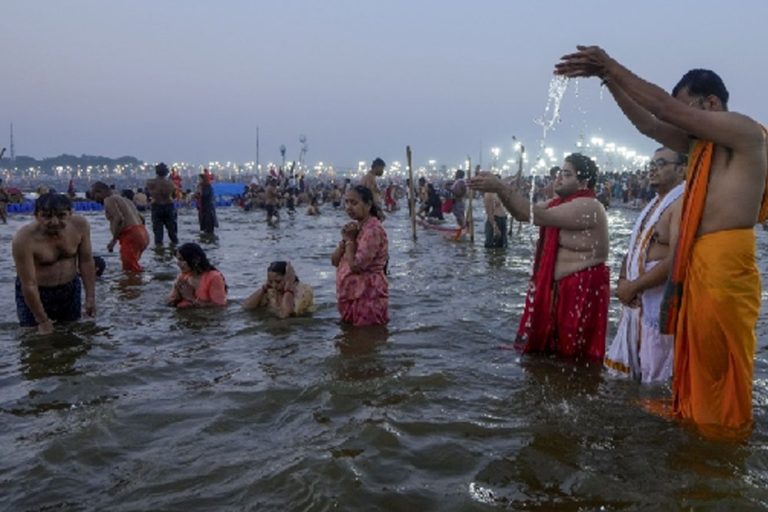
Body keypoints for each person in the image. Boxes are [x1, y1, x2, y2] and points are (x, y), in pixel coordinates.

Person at [556, 46, 768, 440]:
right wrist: (609, 81)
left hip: (726, 266)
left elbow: (666, 113)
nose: (683, 122)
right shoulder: (703, 145)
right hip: (701, 264)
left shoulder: (744, 132)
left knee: (720, 365)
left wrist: (611, 64)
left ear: (711, 103)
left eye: (689, 109)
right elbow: (651, 125)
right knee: (698, 361)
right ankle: (696, 426)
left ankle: (721, 446)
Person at [470, 153, 609, 360]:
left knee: (574, 357)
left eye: (567, 174)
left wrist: (500, 186)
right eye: (560, 173)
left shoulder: (589, 205)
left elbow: (537, 216)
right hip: (561, 289)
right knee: (553, 356)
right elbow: (522, 214)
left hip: (582, 289)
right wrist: (498, 189)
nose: (558, 178)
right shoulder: (558, 203)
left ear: (583, 182)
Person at [604, 148, 686, 383]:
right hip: (637, 301)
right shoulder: (654, 204)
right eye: (651, 163)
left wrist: (634, 286)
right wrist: (622, 281)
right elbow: (635, 248)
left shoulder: (680, 203)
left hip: (657, 306)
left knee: (656, 385)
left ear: (681, 169)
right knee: (631, 383)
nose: (652, 168)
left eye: (661, 163)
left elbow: (677, 259)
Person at [12, 193, 96, 334]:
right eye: (46, 216)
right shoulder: (24, 239)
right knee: (34, 340)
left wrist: (90, 297)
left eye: (61, 215)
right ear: (36, 215)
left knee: (71, 336)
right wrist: (42, 320)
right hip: (36, 292)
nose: (55, 222)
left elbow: (86, 261)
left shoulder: (80, 226)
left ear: (70, 213)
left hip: (69, 289)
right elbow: (29, 283)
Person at [331, 185, 389, 326]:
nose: (349, 207)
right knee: (350, 341)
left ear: (368, 204)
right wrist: (346, 240)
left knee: (365, 341)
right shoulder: (356, 228)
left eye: (354, 203)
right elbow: (334, 260)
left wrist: (350, 240)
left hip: (367, 296)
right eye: (347, 202)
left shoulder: (373, 230)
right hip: (351, 295)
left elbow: (357, 266)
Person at [90, 181, 149, 272]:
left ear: (100, 192)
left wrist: (113, 240)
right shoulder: (126, 200)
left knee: (129, 271)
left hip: (131, 235)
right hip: (143, 234)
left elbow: (119, 219)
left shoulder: (108, 199)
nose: (95, 200)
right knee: (134, 268)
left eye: (94, 196)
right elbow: (142, 219)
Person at [242, 261, 315, 318]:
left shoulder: (303, 291)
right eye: (270, 281)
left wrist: (288, 289)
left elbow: (285, 315)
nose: (274, 285)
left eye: (278, 281)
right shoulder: (270, 290)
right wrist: (264, 287)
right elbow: (246, 307)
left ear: (287, 278)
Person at [167, 242, 227, 308]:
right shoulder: (182, 277)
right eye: (178, 259)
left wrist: (191, 297)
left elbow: (219, 307)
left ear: (195, 260)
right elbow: (170, 302)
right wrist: (176, 295)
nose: (178, 263)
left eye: (181, 260)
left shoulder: (214, 277)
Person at [145, 162, 179, 247]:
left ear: (156, 172)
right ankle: (175, 249)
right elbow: (174, 196)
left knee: (158, 233)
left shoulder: (150, 182)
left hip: (156, 206)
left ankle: (159, 252)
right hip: (169, 206)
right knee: (172, 232)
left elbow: (147, 194)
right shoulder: (171, 184)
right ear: (166, 172)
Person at [483, 178, 508, 248]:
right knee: (492, 247)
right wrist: (495, 228)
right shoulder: (489, 194)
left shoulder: (498, 193)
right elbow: (489, 213)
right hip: (495, 221)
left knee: (502, 247)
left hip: (502, 220)